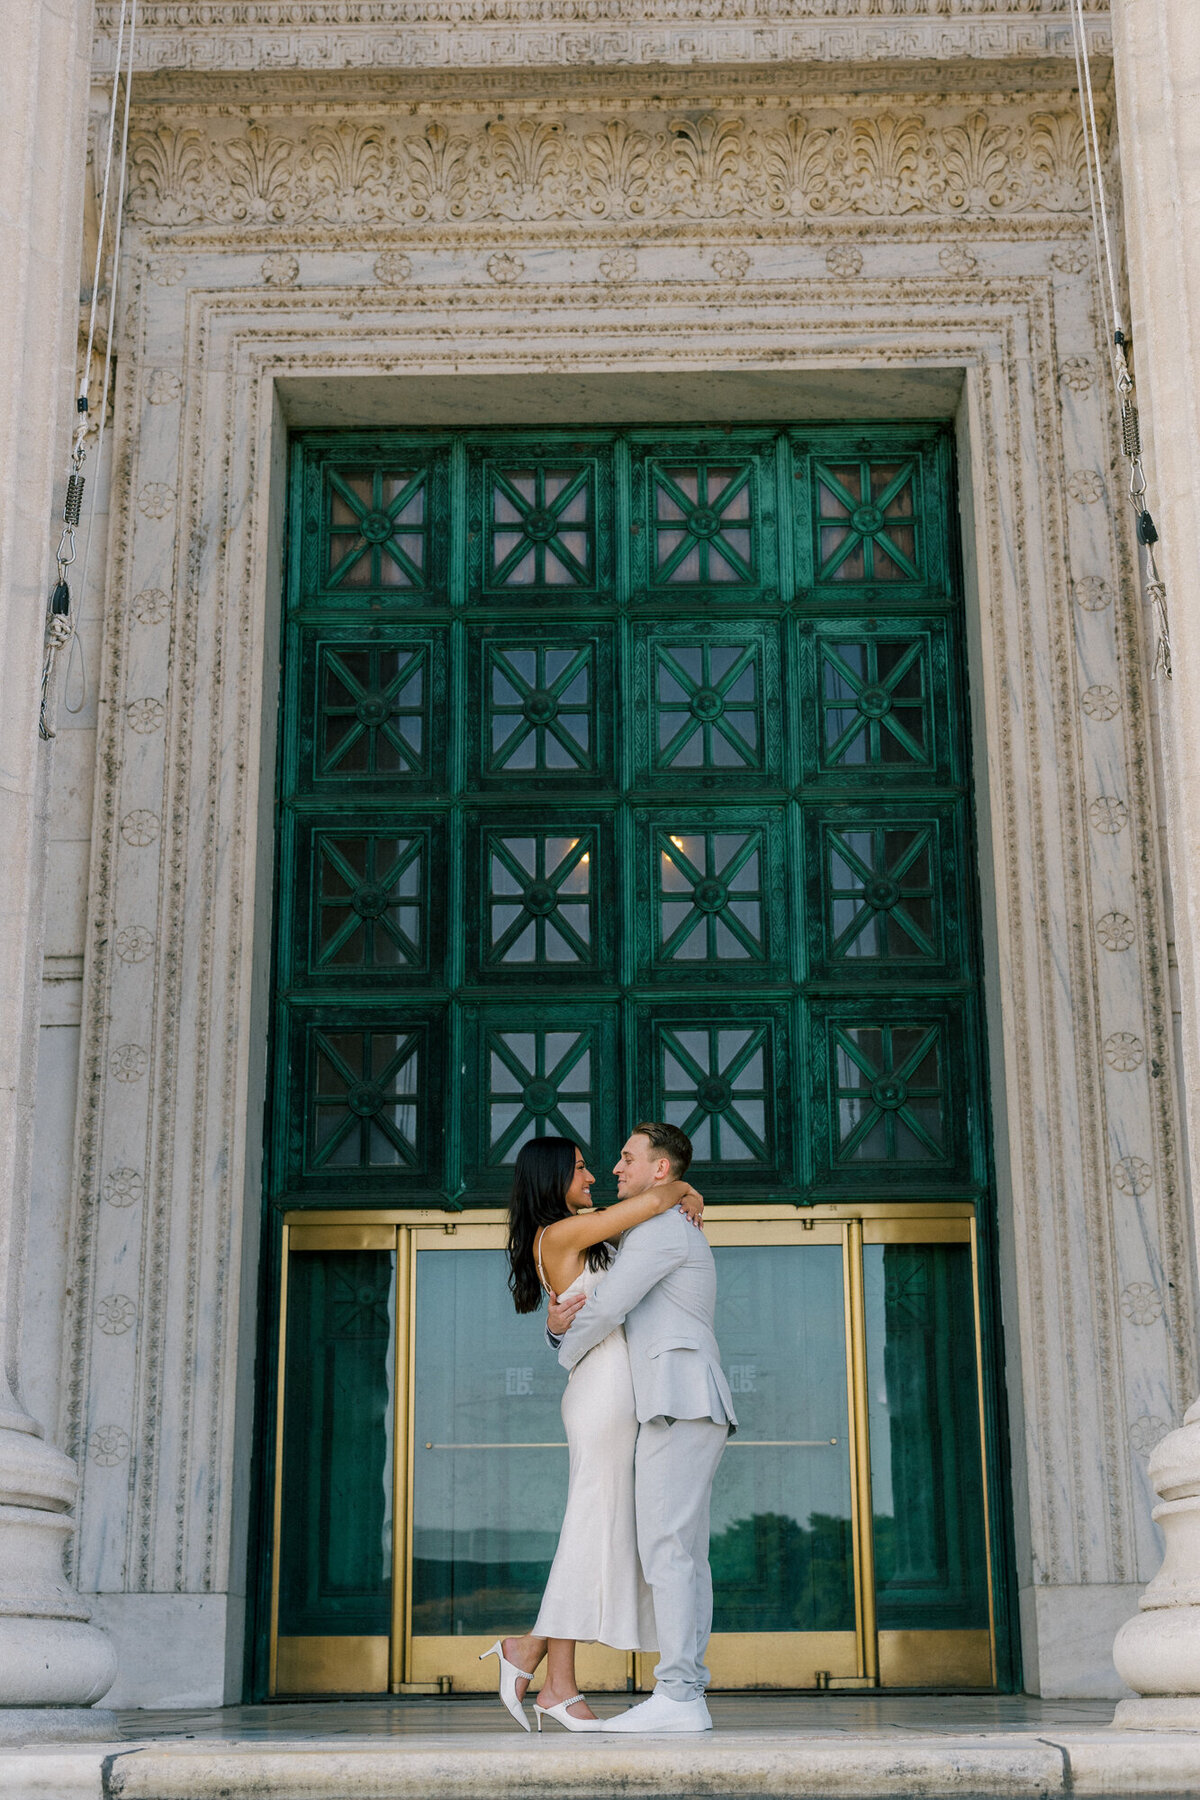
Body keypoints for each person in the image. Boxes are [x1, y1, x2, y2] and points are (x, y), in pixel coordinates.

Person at [480, 1134, 705, 1733]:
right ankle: (537, 1663)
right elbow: (651, 1206)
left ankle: (547, 1670)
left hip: (617, 1386)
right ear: (552, 1178)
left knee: (596, 1526)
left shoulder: (583, 1234)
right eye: (580, 1167)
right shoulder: (559, 1234)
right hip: (602, 1392)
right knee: (591, 1523)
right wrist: (682, 1187)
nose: (594, 1175)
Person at [548, 1122, 736, 1735]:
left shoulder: (658, 1230)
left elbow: (607, 1304)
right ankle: (684, 1690)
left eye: (627, 1159)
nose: (615, 1169)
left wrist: (563, 1349)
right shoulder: (658, 1221)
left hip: (679, 1399)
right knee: (680, 1552)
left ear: (661, 1169)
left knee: (669, 1550)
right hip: (677, 1401)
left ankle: (680, 1693)